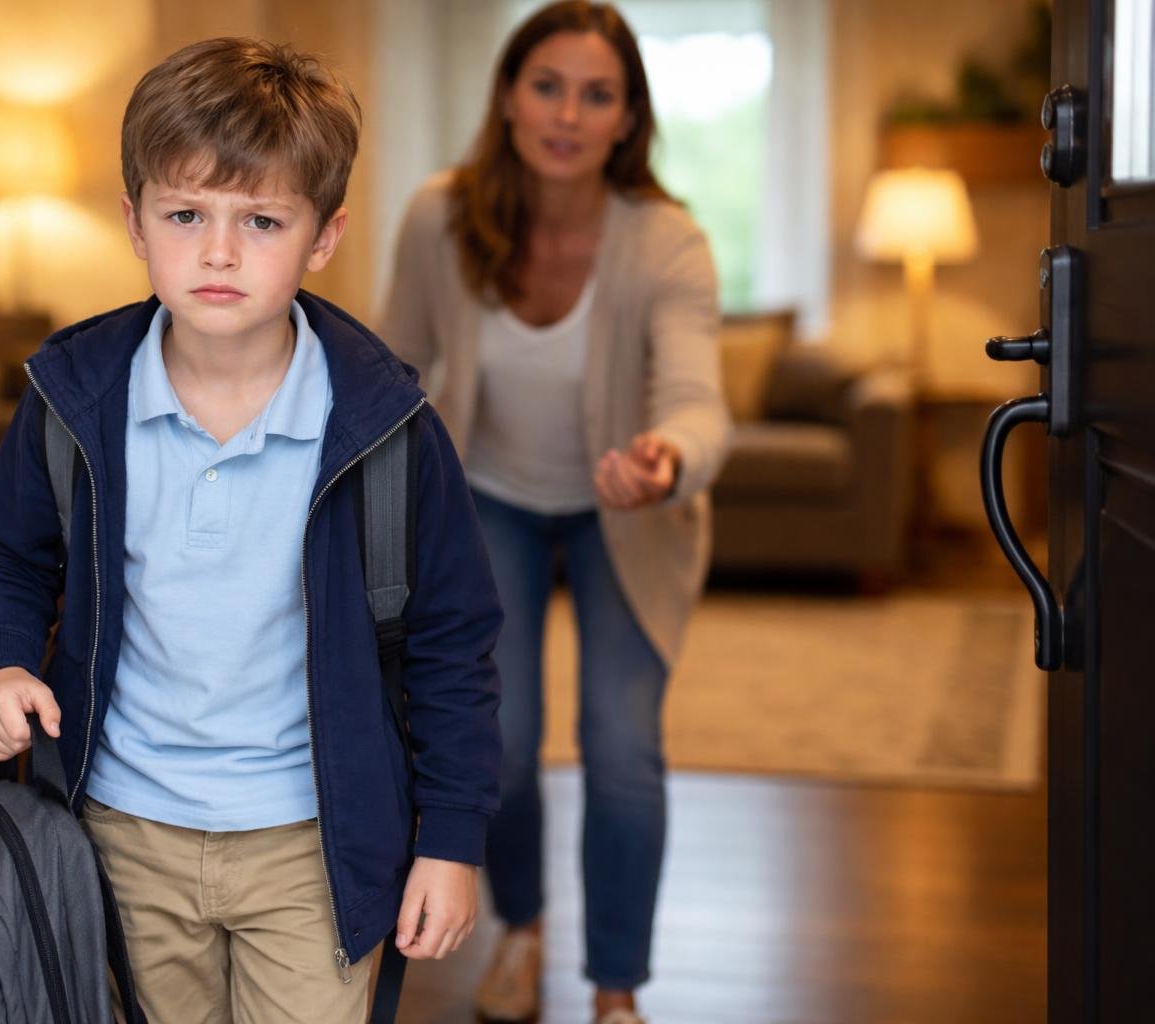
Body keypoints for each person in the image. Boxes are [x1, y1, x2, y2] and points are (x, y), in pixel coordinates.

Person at [0, 37, 503, 1024]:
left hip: (317, 844)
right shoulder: (73, 400)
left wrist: (450, 841)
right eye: (186, 215)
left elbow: (452, 646)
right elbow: (4, 560)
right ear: (135, 222)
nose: (219, 252)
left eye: (262, 220)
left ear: (323, 236)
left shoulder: (389, 427)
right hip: (124, 833)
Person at [378, 3, 730, 1023]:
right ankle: (522, 929)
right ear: (507, 95)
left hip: (628, 512)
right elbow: (393, 364)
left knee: (622, 750)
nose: (567, 115)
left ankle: (616, 989)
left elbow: (700, 401)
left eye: (597, 94)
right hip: (486, 497)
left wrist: (668, 458)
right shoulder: (440, 216)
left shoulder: (666, 240)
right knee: (497, 739)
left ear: (628, 118)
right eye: (547, 86)